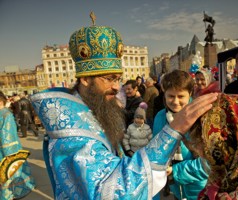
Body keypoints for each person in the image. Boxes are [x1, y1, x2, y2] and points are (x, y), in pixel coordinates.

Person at [30, 16, 218, 199]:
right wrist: (173, 130)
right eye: (109, 79)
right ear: (85, 79)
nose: (116, 87)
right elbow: (112, 191)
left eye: (118, 79)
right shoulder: (71, 133)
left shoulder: (94, 110)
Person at [153, 70, 210, 200]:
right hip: (176, 189)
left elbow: (210, 162)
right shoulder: (160, 117)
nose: (175, 102)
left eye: (181, 96)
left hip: (201, 190)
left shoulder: (202, 117)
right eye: (171, 96)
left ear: (190, 93)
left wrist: (176, 171)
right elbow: (156, 150)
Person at [0, 91, 36, 199]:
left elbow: (6, 136)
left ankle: (9, 192)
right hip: (7, 148)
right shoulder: (5, 114)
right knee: (12, 172)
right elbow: (7, 136)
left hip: (3, 150)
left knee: (6, 173)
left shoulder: (4, 114)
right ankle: (13, 192)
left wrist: (8, 153)